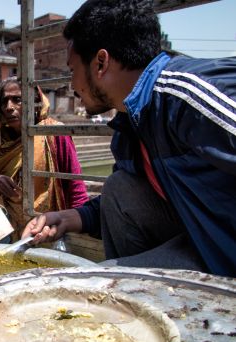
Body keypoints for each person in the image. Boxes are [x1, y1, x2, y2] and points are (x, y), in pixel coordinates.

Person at [22, 0, 236, 277]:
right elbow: (130, 200)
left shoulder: (185, 96)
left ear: (101, 62)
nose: (72, 85)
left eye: (73, 70)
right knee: (119, 188)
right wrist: (68, 217)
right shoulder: (131, 124)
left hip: (224, 257)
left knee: (103, 281)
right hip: (202, 243)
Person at [0, 78, 88, 240]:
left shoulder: (53, 133)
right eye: (4, 102)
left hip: (48, 232)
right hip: (10, 235)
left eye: (17, 100)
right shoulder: (0, 143)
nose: (9, 107)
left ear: (35, 102)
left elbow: (75, 187)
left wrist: (78, 233)